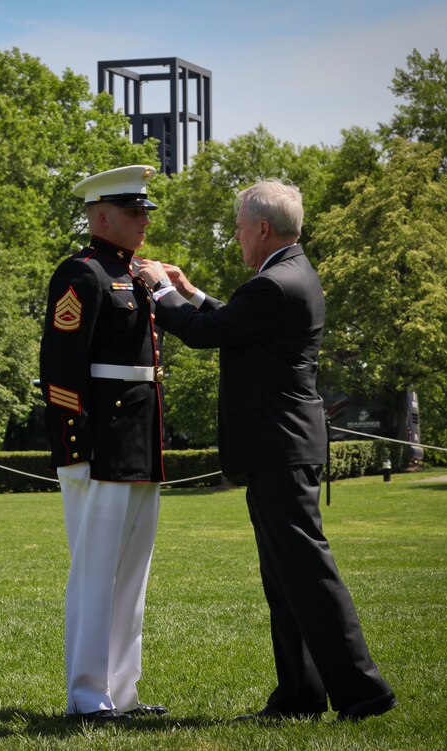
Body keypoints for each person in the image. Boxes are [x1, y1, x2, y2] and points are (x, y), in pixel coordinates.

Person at [138, 179, 397, 723]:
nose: (234, 237)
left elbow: (209, 334)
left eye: (237, 227)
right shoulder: (286, 276)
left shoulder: (275, 284)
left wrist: (159, 289)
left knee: (307, 575)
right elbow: (233, 322)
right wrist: (190, 292)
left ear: (261, 228)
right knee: (285, 579)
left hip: (279, 447)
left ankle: (364, 692)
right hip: (280, 447)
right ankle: (300, 697)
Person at [39, 164, 169, 723]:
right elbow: (60, 371)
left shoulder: (134, 275)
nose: (143, 220)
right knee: (95, 575)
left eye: (144, 211)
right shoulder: (82, 274)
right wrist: (77, 447)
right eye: (133, 211)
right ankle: (88, 697)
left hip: (138, 443)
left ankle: (123, 692)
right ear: (101, 216)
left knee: (131, 576)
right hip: (99, 447)